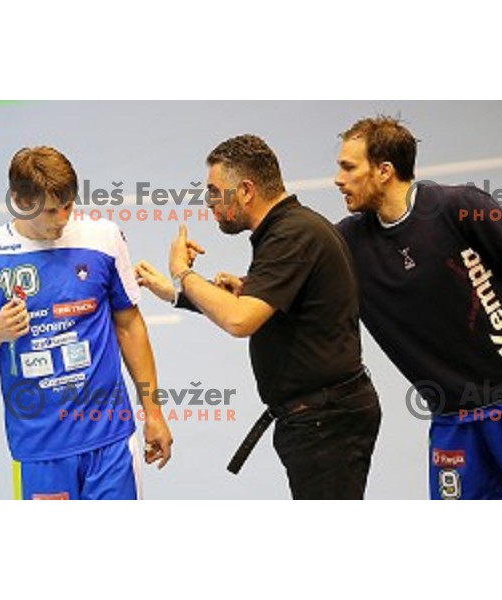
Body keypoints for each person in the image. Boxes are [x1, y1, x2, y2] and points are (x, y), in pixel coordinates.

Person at [135, 134, 381, 500]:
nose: (209, 204)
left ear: (246, 190)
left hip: (325, 423)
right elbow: (254, 304)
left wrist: (182, 274)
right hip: (320, 417)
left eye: (215, 192)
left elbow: (239, 320)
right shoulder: (291, 229)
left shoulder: (291, 235)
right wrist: (175, 292)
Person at [0, 146, 172, 500]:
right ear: (21, 202)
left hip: (111, 441)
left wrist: (154, 412)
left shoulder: (103, 238)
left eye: (69, 205)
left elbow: (130, 326)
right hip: (40, 450)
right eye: (52, 210)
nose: (63, 218)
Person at [333, 116, 502, 499]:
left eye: (349, 167)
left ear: (384, 170)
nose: (338, 179)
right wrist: (184, 289)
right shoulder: (346, 242)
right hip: (453, 419)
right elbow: (278, 287)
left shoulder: (461, 207)